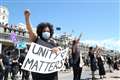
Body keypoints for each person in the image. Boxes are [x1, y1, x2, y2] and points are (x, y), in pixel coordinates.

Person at [24, 9, 61, 80]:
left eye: (48, 31)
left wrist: (58, 49)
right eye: (44, 31)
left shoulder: (54, 42)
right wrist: (27, 18)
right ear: (40, 31)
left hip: (52, 76)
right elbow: (30, 30)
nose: (46, 32)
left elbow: (61, 51)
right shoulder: (37, 40)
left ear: (51, 32)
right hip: (38, 76)